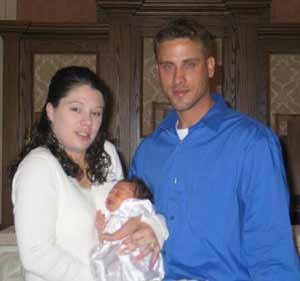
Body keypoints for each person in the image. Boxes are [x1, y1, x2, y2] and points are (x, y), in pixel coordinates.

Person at [128, 18, 300, 281]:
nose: (178, 79)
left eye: (189, 64)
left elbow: (271, 251)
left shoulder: (253, 143)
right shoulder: (147, 151)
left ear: (210, 67)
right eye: (167, 66)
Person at [11, 66, 168, 281]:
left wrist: (154, 227)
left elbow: (128, 209)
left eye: (96, 113)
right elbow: (37, 255)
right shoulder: (38, 167)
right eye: (76, 109)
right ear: (50, 111)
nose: (87, 122)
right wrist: (100, 278)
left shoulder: (107, 153)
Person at [91, 177, 164, 281]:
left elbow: (133, 224)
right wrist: (101, 228)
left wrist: (114, 236)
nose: (112, 195)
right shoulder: (112, 216)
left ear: (135, 200)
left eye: (118, 193)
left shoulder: (131, 208)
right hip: (118, 257)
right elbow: (105, 239)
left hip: (134, 254)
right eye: (111, 192)